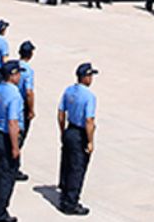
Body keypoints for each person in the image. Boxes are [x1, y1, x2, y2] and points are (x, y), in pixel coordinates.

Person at [0, 61, 24, 222]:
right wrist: (15, 147)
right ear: (13, 75)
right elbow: (13, 123)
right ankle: (0, 213)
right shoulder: (14, 94)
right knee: (6, 175)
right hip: (6, 138)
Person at [58, 62, 98, 216]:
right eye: (90, 76)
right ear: (85, 77)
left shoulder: (69, 91)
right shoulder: (89, 96)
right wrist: (90, 141)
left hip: (69, 130)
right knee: (77, 168)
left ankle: (64, 195)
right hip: (80, 134)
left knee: (67, 165)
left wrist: (63, 131)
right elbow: (89, 120)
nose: (91, 79)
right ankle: (71, 203)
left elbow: (61, 113)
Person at [16, 41, 36, 182]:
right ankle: (14, 167)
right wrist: (31, 109)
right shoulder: (28, 71)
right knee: (19, 137)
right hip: (21, 106)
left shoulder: (15, 66)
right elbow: (29, 92)